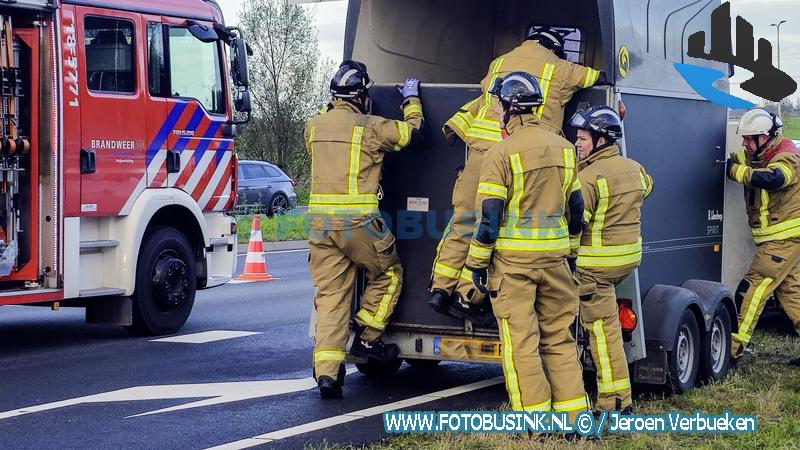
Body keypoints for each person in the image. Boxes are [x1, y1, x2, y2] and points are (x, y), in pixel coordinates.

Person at [430, 26, 604, 323]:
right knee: (497, 225)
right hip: (517, 155)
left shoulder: (498, 63)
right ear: (555, 49)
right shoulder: (560, 67)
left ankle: (440, 288)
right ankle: (468, 294)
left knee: (464, 222)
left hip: (478, 153)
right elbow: (596, 77)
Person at [464, 71, 589, 419]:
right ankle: (575, 416)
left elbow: (489, 219)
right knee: (559, 338)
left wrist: (475, 266)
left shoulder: (500, 154)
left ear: (511, 109)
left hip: (514, 267)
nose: (499, 112)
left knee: (522, 343)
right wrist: (573, 253)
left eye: (501, 105)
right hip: (556, 262)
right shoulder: (566, 150)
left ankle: (534, 421)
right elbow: (576, 210)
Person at [303, 61, 424, 398]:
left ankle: (327, 373)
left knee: (331, 298)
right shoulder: (371, 127)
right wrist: (411, 100)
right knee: (390, 274)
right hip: (360, 225)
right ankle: (368, 336)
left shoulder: (314, 126)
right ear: (359, 95)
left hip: (320, 227)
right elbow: (412, 134)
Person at [570, 106, 653, 412]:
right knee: (608, 330)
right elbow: (648, 187)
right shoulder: (635, 168)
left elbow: (576, 223)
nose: (577, 143)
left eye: (582, 138)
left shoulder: (588, 179)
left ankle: (615, 402)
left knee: (603, 336)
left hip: (594, 269)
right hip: (626, 261)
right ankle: (618, 398)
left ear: (601, 140)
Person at [726, 108, 800, 365]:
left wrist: (734, 171)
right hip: (778, 240)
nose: (745, 144)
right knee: (793, 296)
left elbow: (774, 178)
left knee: (751, 290)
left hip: (784, 240)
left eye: (750, 139)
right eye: (744, 139)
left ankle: (731, 350)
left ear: (767, 137)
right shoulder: (757, 153)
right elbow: (732, 158)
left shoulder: (787, 155)